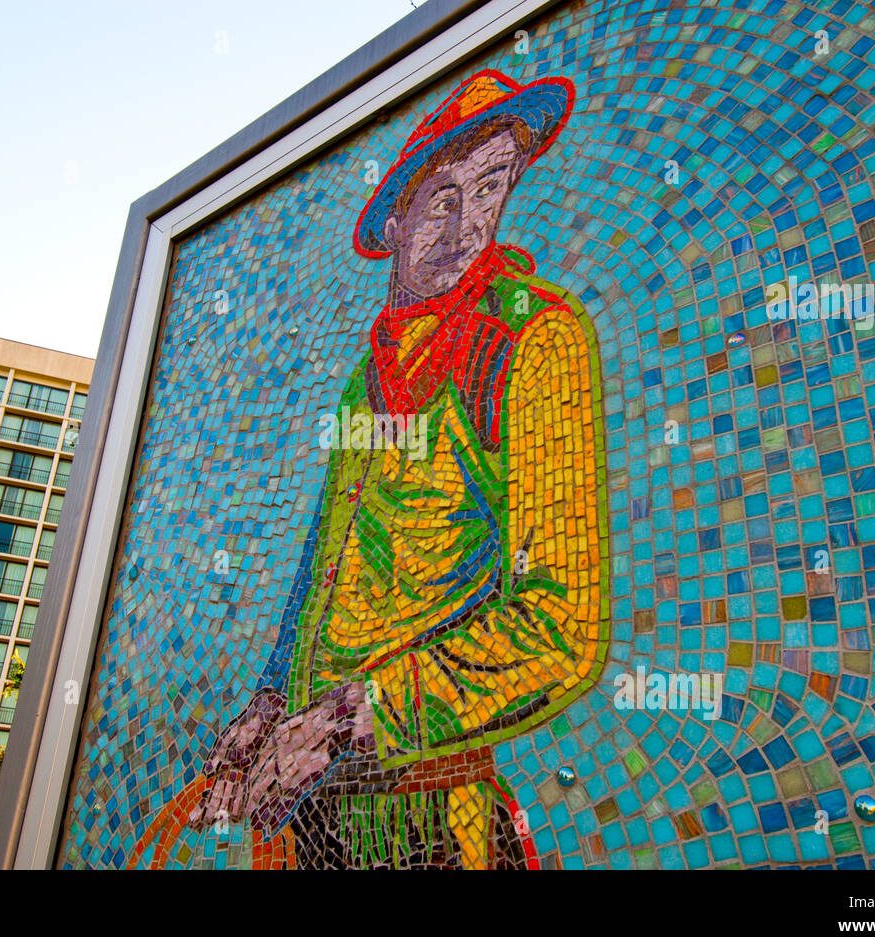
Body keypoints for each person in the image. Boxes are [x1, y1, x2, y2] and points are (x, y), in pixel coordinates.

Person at [188, 69, 609, 869]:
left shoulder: (534, 340)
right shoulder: (367, 374)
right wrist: (272, 699)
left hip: (433, 817)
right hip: (314, 818)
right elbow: (327, 561)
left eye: (490, 188)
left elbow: (563, 625)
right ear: (396, 213)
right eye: (442, 198)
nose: (465, 226)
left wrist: (356, 714)